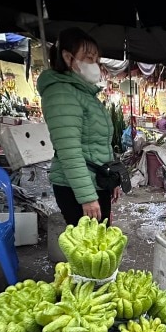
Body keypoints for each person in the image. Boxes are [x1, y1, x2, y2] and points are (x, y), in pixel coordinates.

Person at [37, 27, 120, 227]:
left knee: (102, 246)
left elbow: (97, 143)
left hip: (96, 182)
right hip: (78, 188)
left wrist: (112, 176)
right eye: (89, 58)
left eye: (96, 59)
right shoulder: (61, 94)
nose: (95, 64)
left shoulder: (83, 93)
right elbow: (70, 151)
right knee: (89, 252)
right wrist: (87, 197)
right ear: (68, 57)